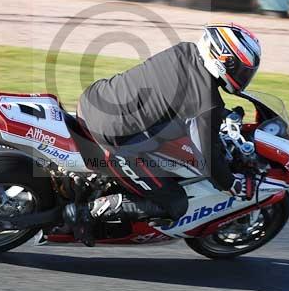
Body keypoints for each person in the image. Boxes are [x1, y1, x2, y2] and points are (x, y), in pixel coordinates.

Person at [66, 23, 262, 243]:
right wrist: (232, 184)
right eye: (243, 70)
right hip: (111, 141)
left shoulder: (183, 51)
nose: (245, 77)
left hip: (91, 101)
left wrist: (220, 117)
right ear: (224, 60)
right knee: (175, 203)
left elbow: (175, 96)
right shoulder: (207, 103)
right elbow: (207, 157)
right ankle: (89, 212)